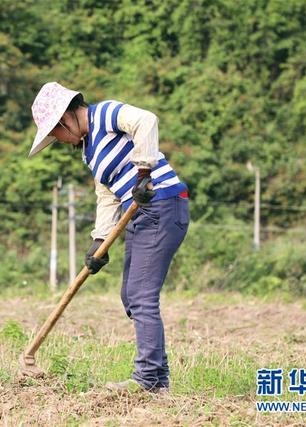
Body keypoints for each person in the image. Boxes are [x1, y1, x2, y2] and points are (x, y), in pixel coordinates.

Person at [28, 82, 189, 393]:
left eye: (55, 135)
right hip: (140, 215)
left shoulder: (106, 113)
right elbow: (107, 194)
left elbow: (147, 120)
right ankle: (158, 379)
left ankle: (147, 381)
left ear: (66, 118)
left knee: (141, 296)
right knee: (131, 296)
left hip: (163, 205)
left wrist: (144, 171)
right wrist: (99, 240)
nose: (58, 141)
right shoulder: (90, 152)